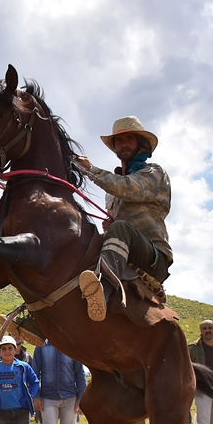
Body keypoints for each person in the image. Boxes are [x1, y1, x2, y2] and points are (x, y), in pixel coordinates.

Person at [75, 117, 172, 321]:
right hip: (122, 251)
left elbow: (127, 188)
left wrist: (91, 170)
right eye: (119, 140)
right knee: (83, 243)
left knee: (120, 227)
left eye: (129, 138)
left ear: (140, 143)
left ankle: (103, 289)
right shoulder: (112, 192)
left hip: (153, 257)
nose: (123, 143)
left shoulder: (153, 172)